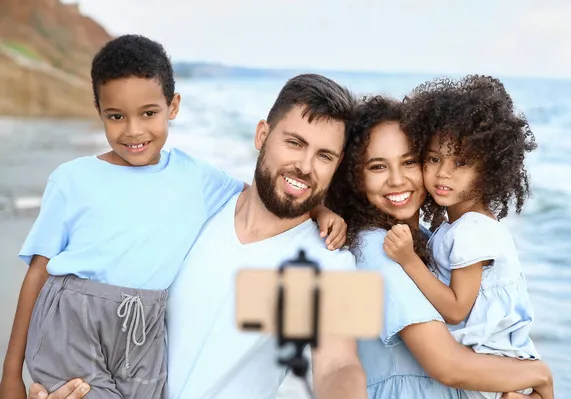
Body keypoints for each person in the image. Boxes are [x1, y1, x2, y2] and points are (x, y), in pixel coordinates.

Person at [0, 36, 345, 399]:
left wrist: (319, 208)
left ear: (173, 106)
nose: (133, 130)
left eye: (149, 113)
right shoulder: (71, 180)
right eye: (116, 116)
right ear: (99, 110)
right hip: (74, 320)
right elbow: (38, 272)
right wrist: (10, 376)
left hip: (144, 334)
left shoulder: (196, 177)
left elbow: (266, 190)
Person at [326, 95, 554, 399]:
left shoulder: (426, 238)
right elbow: (447, 365)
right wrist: (539, 374)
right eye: (378, 166)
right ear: (355, 178)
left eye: (409, 162)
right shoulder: (376, 245)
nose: (397, 179)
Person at [384, 75, 540, 399]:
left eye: (462, 162)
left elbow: (456, 309)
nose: (444, 173)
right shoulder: (455, 227)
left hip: (496, 373)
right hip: (491, 369)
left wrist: (409, 260)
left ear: (490, 170)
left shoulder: (473, 231)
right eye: (434, 158)